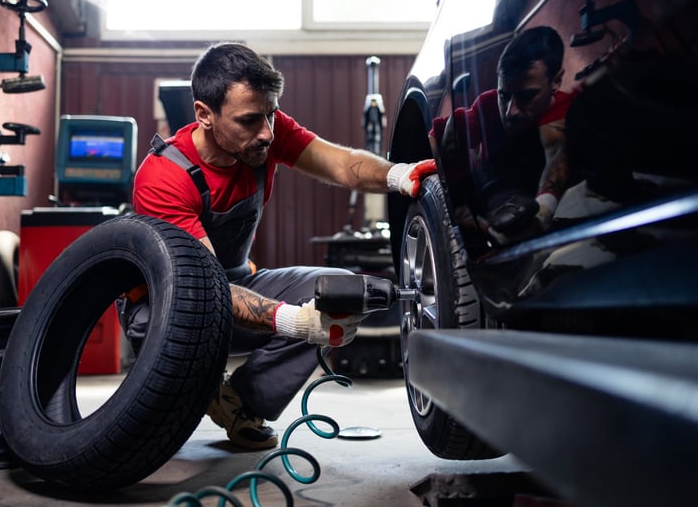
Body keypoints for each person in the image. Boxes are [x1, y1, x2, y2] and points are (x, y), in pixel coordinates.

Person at [122, 42, 435, 450]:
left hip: (237, 282)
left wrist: (398, 175)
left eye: (271, 114)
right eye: (251, 119)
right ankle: (194, 387)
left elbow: (340, 164)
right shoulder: (165, 177)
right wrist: (295, 322)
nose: (268, 132)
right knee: (171, 367)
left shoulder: (265, 134)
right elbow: (205, 288)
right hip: (170, 306)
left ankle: (240, 401)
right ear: (204, 114)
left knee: (339, 293)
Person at [431, 26, 577, 241]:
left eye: (527, 96)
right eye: (504, 96)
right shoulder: (487, 107)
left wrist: (542, 215)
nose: (511, 111)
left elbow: (557, 156)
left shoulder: (566, 111)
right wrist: (457, 209)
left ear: (555, 81)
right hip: (491, 204)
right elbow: (429, 143)